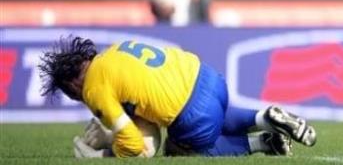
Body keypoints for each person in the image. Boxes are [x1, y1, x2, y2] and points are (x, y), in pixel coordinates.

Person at [39, 36, 317, 158]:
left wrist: (104, 154)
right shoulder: (114, 50)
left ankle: (263, 143)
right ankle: (264, 117)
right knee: (214, 115)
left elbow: (133, 143)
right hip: (208, 76)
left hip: (192, 113)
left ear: (71, 85)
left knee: (178, 148)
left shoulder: (92, 89)